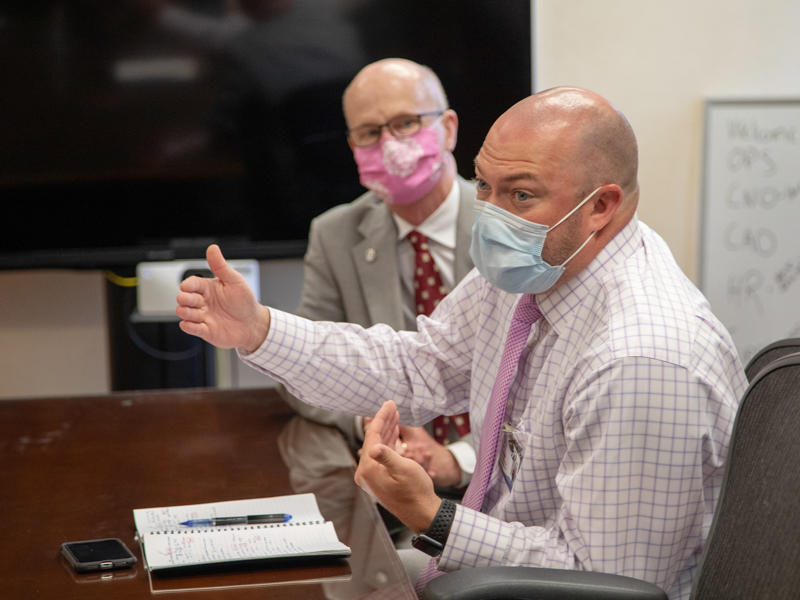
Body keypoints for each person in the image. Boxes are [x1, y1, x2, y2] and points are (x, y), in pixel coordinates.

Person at [176, 86, 747, 600]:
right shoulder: (538, 266)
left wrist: (430, 515)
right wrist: (261, 330)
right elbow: (418, 366)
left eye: (521, 196)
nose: (492, 216)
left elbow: (601, 584)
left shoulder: (640, 360)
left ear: (602, 205)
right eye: (484, 186)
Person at [279, 58, 477, 493]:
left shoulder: (507, 226)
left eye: (405, 123)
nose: (389, 144)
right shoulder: (335, 234)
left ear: (448, 128)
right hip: (392, 484)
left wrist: (456, 460)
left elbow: (542, 384)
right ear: (353, 146)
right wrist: (369, 417)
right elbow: (299, 368)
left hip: (506, 484)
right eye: (370, 133)